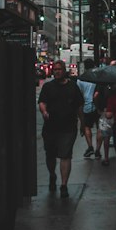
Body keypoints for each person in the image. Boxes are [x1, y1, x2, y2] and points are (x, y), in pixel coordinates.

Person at [38, 60, 84, 196]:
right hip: (51, 127)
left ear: (64, 71)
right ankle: (52, 174)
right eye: (55, 69)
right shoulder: (48, 87)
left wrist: (83, 123)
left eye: (59, 69)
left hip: (68, 127)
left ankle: (64, 185)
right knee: (50, 155)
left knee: (65, 155)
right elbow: (42, 102)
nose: (57, 72)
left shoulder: (73, 87)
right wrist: (44, 112)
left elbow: (79, 107)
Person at [77, 64, 99, 158]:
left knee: (87, 127)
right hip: (96, 106)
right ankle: (98, 149)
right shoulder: (97, 79)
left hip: (86, 106)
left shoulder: (80, 80)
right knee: (99, 129)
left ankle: (90, 146)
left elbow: (79, 93)